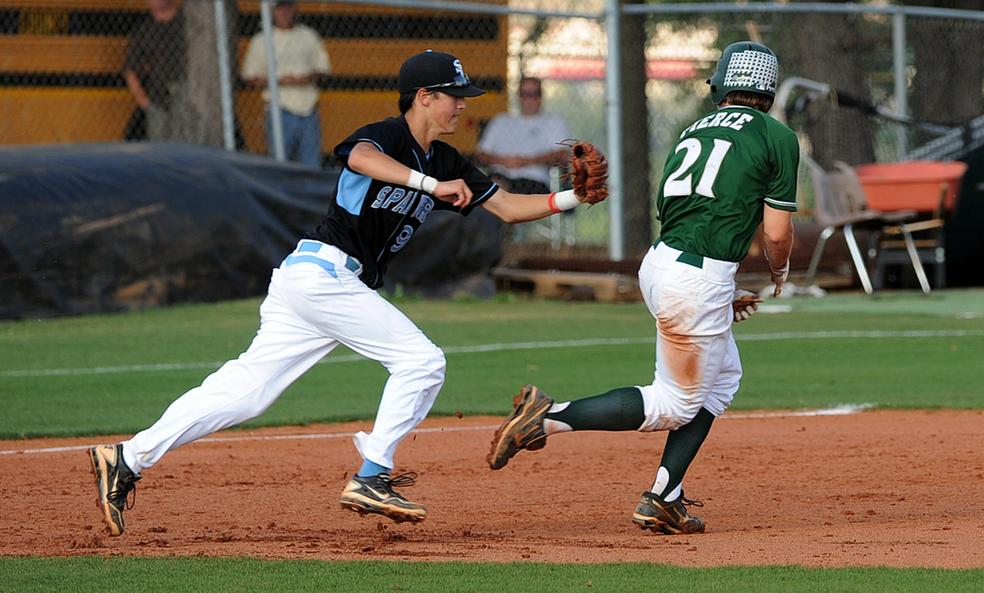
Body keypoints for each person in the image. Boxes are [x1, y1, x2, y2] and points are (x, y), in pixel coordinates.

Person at [87, 50, 605, 536]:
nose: (462, 104)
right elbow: (359, 159)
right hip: (322, 274)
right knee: (421, 362)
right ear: (423, 96)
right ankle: (372, 475)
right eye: (454, 94)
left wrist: (569, 198)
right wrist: (428, 188)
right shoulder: (385, 137)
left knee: (246, 392)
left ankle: (127, 458)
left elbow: (509, 207)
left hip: (318, 284)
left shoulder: (446, 160)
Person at [487, 41, 798, 535]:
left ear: (720, 84)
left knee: (721, 380)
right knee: (674, 404)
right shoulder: (776, 136)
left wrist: (716, 288)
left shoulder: (691, 129)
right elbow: (777, 234)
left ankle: (664, 497)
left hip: (664, 264)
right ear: (769, 91)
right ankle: (546, 418)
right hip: (696, 278)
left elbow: (692, 211)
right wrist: (776, 274)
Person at [241, 0, 331, 168]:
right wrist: (279, 81)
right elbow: (250, 76)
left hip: (308, 108)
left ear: (295, 10)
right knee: (281, 164)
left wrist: (306, 78)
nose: (285, 13)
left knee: (311, 164)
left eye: (288, 8)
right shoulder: (261, 40)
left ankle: (309, 194)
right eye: (280, 9)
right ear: (272, 12)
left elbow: (323, 69)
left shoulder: (308, 35)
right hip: (279, 108)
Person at [474, 77, 572, 194]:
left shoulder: (553, 121)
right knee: (495, 185)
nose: (530, 99)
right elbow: (480, 154)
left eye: (535, 94)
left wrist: (528, 161)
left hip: (534, 181)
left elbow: (562, 154)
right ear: (518, 96)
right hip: (500, 177)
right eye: (525, 94)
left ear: (541, 96)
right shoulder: (501, 121)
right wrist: (502, 161)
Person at [123, 0, 186, 142]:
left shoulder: (188, 23)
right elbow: (130, 69)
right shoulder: (145, 29)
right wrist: (144, 101)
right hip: (159, 101)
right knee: (160, 150)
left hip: (188, 98)